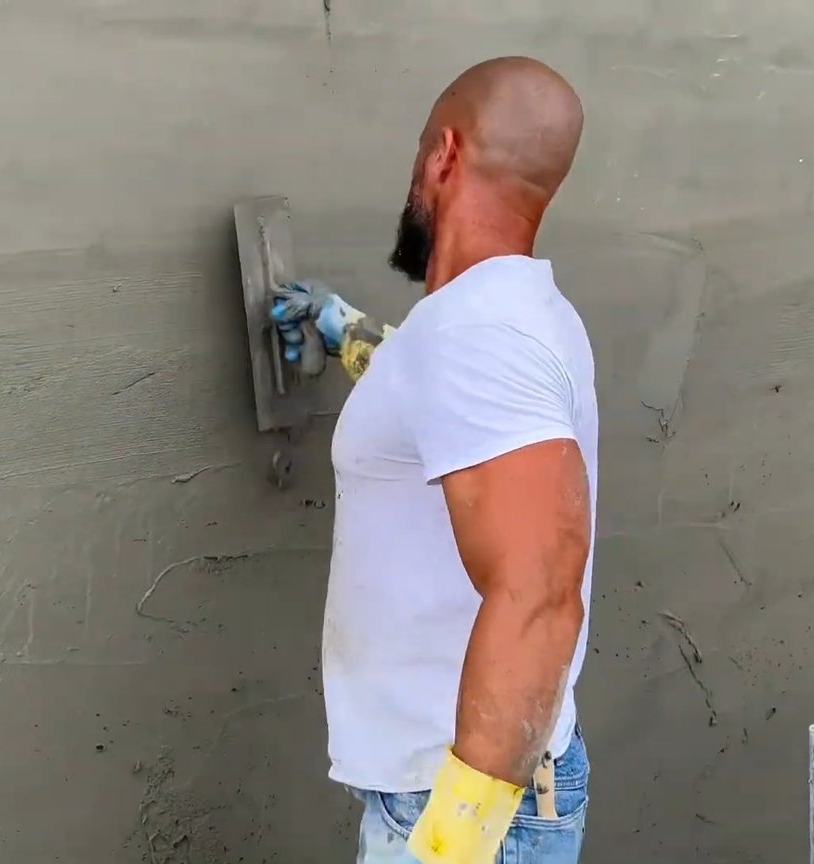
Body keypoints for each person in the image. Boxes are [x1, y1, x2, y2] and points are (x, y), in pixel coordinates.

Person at [269, 56, 597, 864]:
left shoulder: (479, 340)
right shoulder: (497, 320)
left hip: (460, 809)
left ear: (443, 157)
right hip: (452, 789)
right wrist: (343, 330)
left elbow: (541, 596)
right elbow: (446, 409)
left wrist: (454, 842)